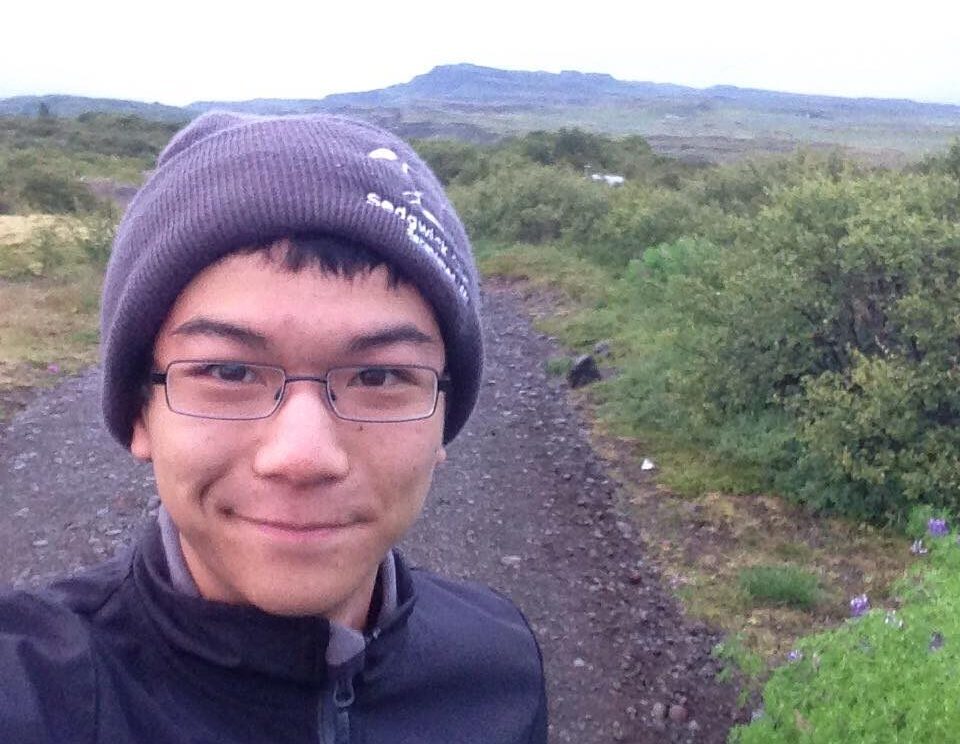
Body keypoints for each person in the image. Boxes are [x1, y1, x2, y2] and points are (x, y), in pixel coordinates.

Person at [0, 112, 547, 743]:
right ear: (139, 413)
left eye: (379, 377)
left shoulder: (501, 667)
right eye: (228, 371)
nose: (303, 456)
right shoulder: (32, 691)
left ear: (443, 418)